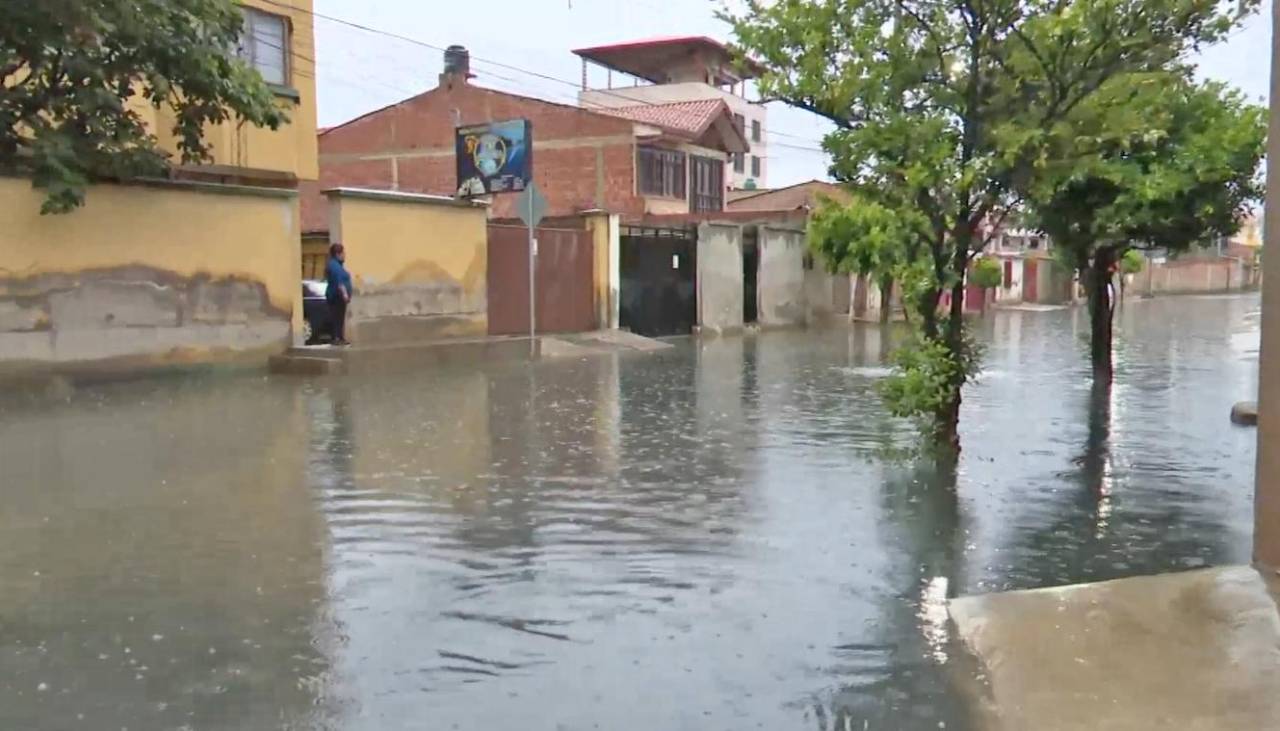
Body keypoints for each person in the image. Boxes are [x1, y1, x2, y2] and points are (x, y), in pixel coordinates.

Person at [325, 243, 353, 345]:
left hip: (337, 296)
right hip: (336, 296)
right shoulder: (334, 266)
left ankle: (339, 337)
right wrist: (345, 295)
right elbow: (339, 282)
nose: (344, 255)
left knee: (339, 317)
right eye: (343, 253)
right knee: (337, 317)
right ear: (337, 254)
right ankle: (337, 338)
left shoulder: (337, 265)